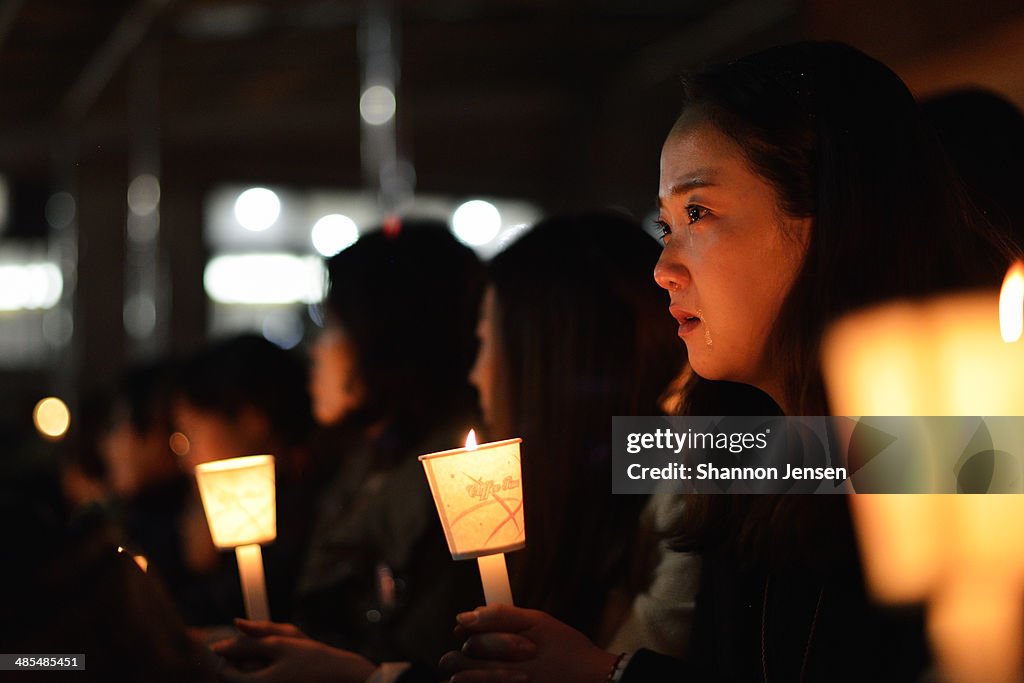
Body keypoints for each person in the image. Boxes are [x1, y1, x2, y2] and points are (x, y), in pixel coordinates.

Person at [440, 41, 1019, 683]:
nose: (662, 270)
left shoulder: (971, 457)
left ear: (834, 218)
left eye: (699, 212)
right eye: (665, 226)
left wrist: (610, 676)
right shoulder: (748, 462)